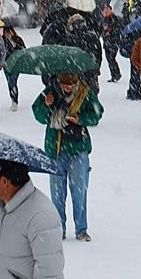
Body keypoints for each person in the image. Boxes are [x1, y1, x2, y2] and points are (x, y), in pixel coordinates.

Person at [34, 72, 103, 241]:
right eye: (64, 84)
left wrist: (80, 118)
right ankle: (59, 228)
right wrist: (45, 104)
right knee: (57, 194)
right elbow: (39, 116)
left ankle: (81, 229)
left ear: (76, 82)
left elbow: (97, 114)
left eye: (70, 84)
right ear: (58, 81)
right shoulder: (50, 93)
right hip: (55, 150)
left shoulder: (85, 94)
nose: (67, 88)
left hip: (78, 150)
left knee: (79, 192)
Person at [3, 26, 26, 111]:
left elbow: (24, 50)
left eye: (9, 32)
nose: (8, 34)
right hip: (6, 65)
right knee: (10, 82)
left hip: (16, 65)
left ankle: (14, 101)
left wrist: (16, 47)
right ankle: (13, 98)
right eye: (6, 32)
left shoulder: (18, 39)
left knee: (13, 81)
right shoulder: (2, 41)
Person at [102, 6, 123, 83]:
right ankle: (113, 75)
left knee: (112, 59)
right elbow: (102, 29)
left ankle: (117, 74)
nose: (105, 13)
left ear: (111, 10)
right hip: (106, 42)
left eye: (107, 11)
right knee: (108, 60)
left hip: (113, 42)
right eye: (104, 11)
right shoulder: (104, 19)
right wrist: (104, 32)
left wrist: (110, 31)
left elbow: (117, 30)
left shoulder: (115, 19)